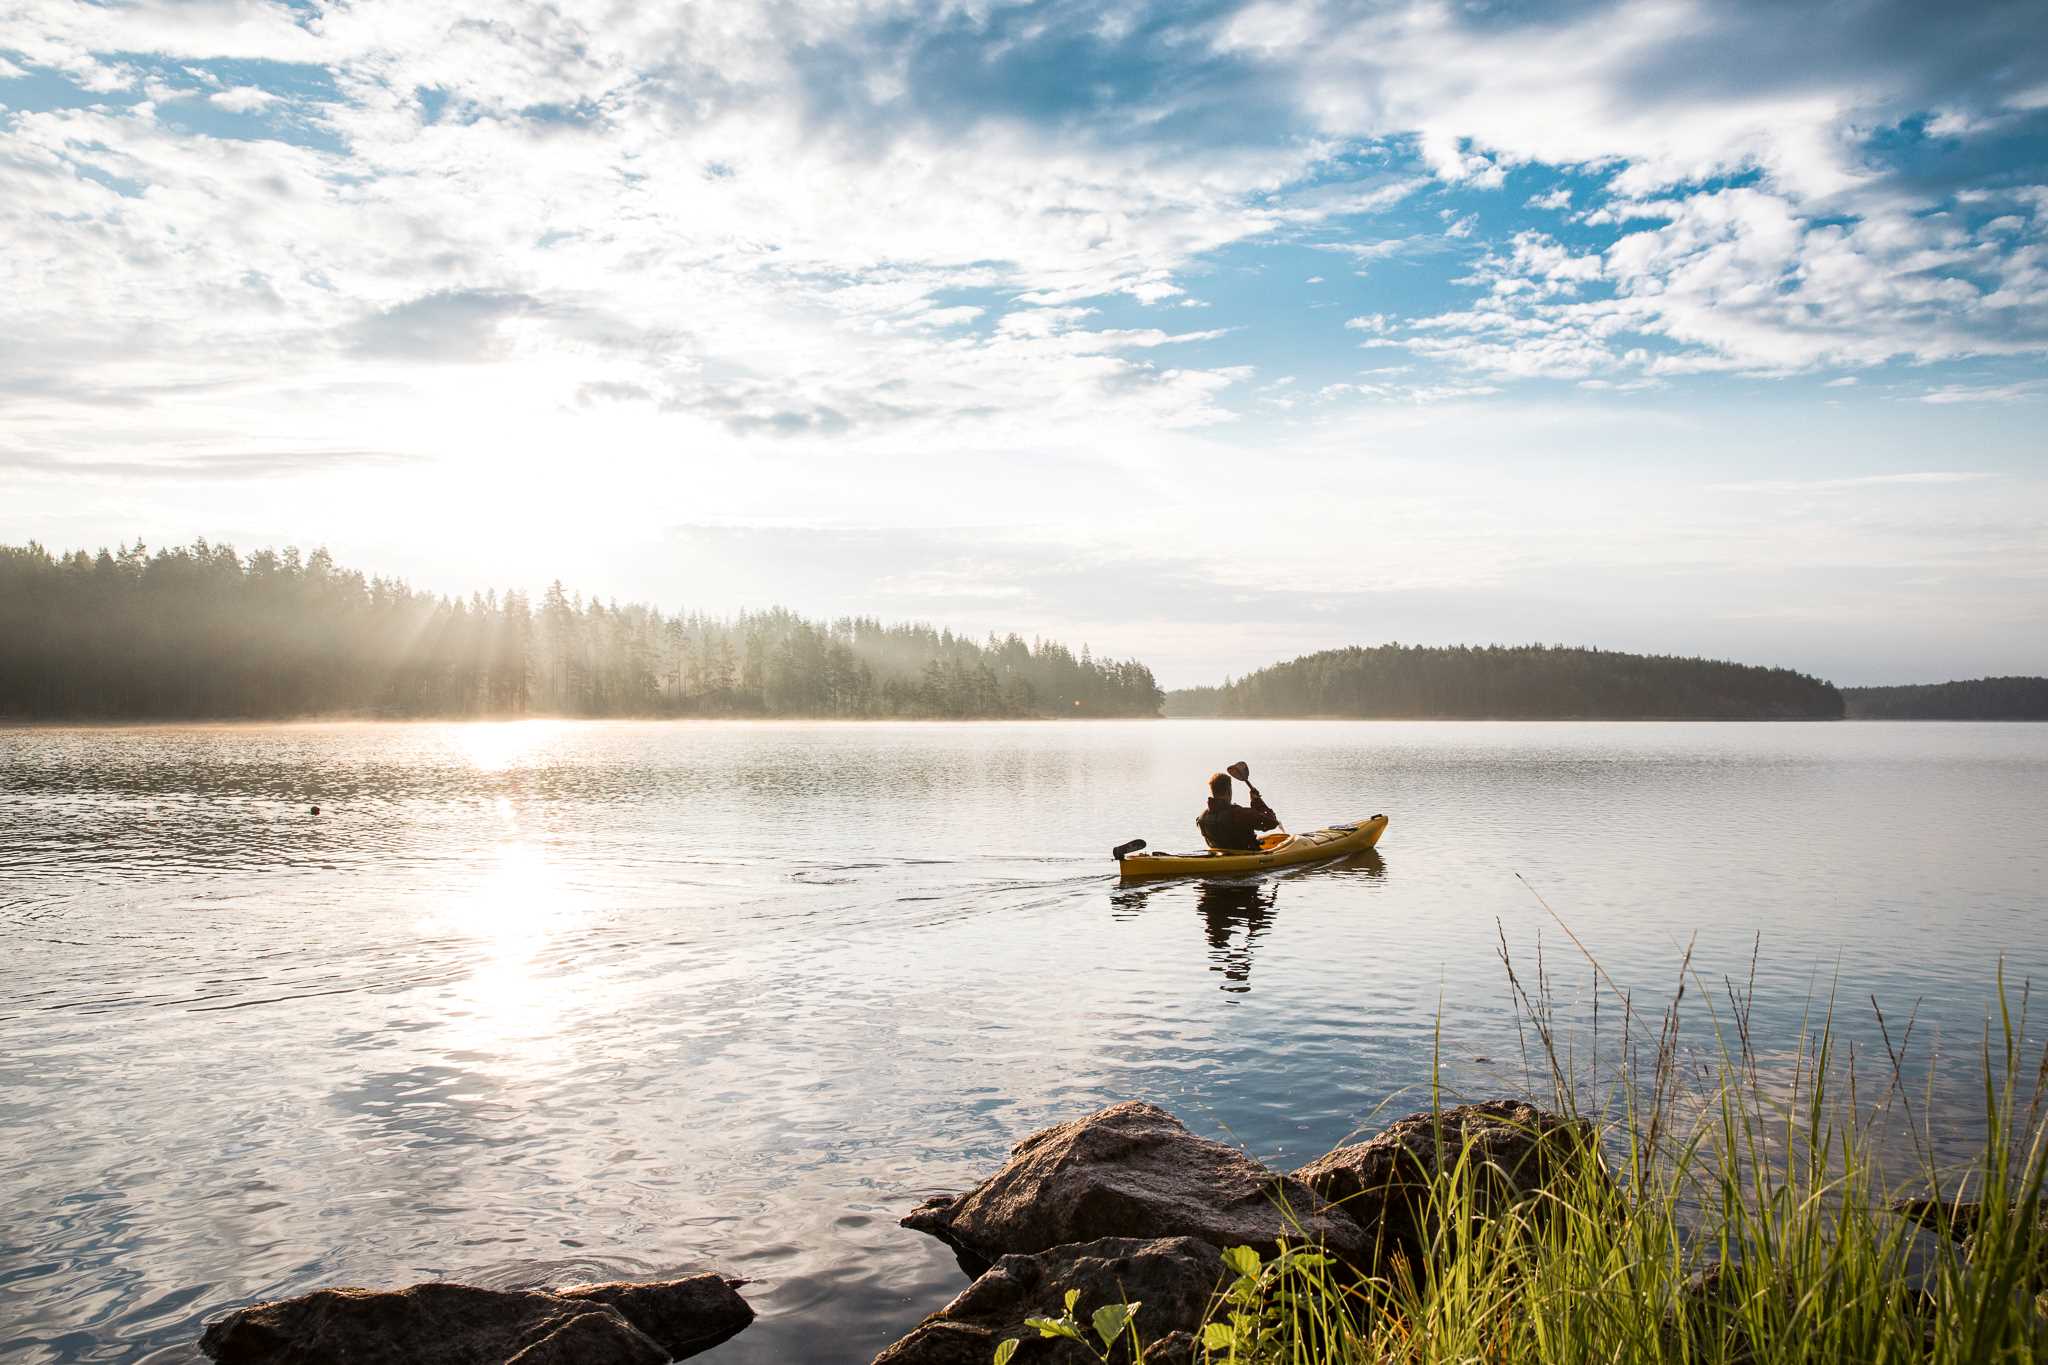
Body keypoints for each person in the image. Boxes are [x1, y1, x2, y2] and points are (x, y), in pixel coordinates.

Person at [1197, 771, 1279, 851]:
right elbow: (1273, 822)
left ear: (1212, 791)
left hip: (1221, 856)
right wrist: (1257, 801)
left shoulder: (1202, 818)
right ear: (1228, 791)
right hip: (1248, 858)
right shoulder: (1239, 814)